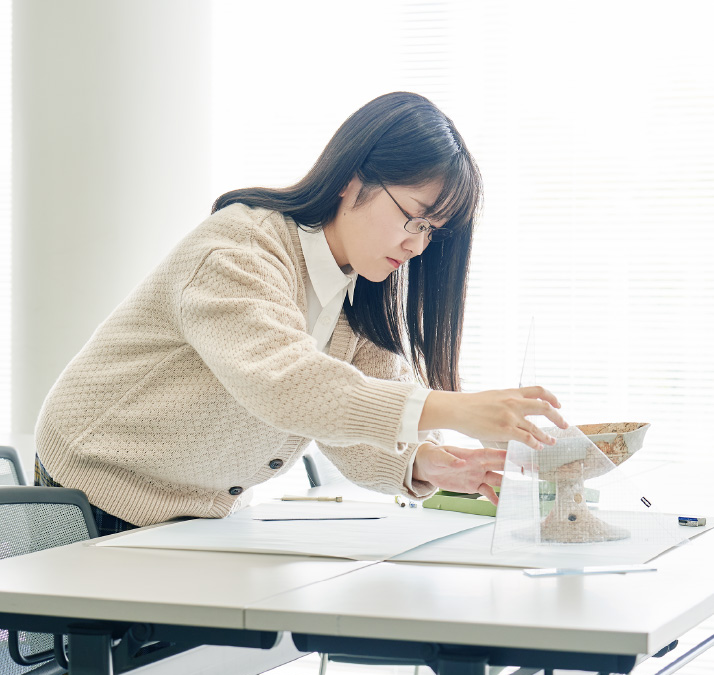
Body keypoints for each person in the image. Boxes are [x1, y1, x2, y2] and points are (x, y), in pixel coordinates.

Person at [34, 91, 567, 535]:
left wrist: (430, 463)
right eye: (413, 218)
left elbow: (350, 419)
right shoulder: (238, 249)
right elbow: (287, 386)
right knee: (113, 664)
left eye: (431, 231)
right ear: (351, 180)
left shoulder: (358, 287)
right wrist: (458, 409)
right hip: (96, 491)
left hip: (197, 511)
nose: (417, 246)